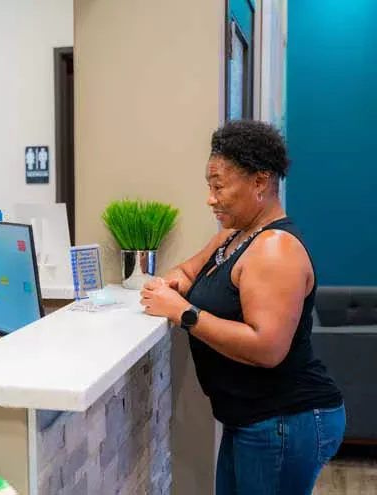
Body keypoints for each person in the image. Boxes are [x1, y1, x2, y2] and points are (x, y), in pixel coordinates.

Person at [140, 120, 344, 495]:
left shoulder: (275, 248)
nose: (210, 198)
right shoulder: (235, 235)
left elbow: (267, 348)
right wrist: (173, 284)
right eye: (209, 187)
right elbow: (188, 270)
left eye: (219, 186)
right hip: (251, 418)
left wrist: (185, 313)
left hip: (285, 418)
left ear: (259, 182)